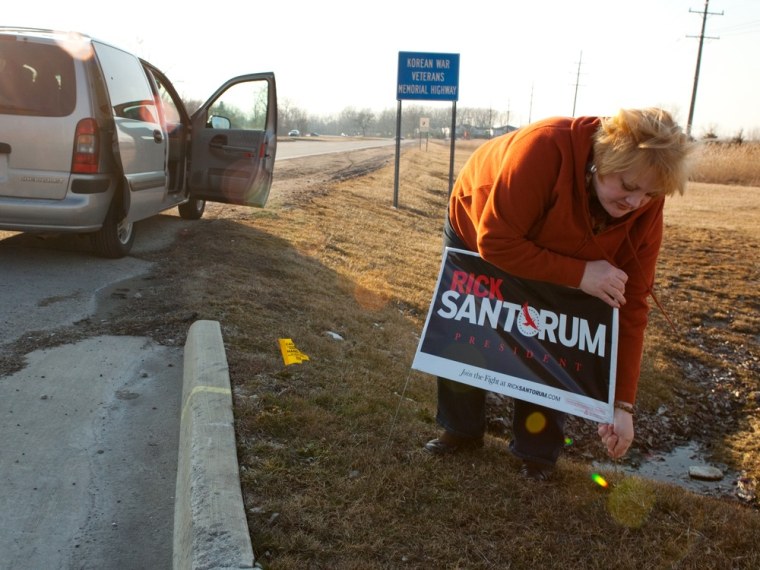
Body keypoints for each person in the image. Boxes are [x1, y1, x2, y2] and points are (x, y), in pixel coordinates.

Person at [424, 108, 694, 481]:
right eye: (628, 187)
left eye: (650, 194)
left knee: (553, 332)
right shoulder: (543, 148)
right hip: (480, 227)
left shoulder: (645, 203)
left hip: (561, 244)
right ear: (602, 160)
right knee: (473, 321)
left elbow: (630, 304)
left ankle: (537, 454)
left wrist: (622, 405)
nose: (636, 203)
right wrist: (580, 273)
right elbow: (497, 242)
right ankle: (460, 430)